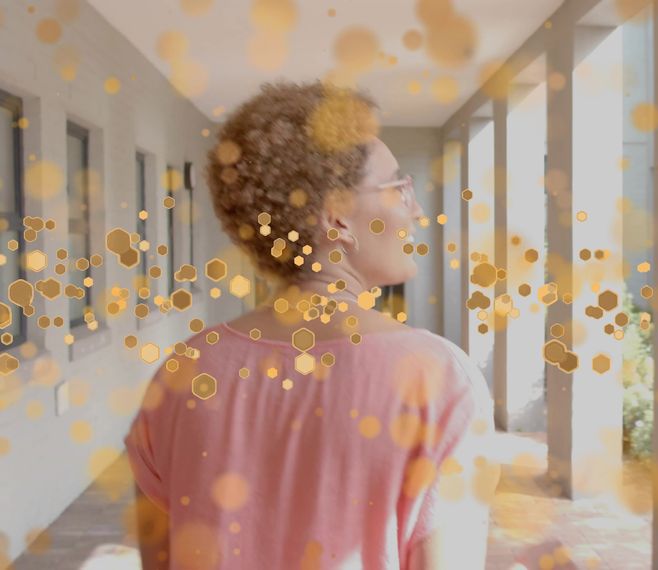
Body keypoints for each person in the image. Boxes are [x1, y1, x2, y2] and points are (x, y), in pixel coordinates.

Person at [125, 82, 498, 570]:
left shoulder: (181, 373)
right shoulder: (439, 379)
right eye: (399, 188)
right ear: (336, 217)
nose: (416, 210)